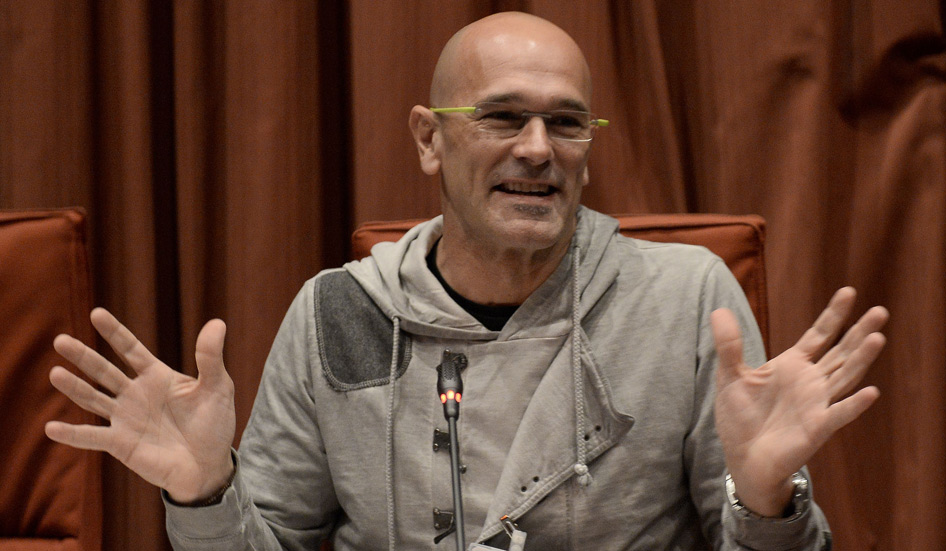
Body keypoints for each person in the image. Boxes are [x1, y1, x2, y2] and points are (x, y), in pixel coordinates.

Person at [45, 11, 888, 551]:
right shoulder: (340, 311)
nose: (537, 148)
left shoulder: (687, 300)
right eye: (502, 116)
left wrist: (768, 498)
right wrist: (205, 491)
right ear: (428, 139)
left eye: (565, 123)